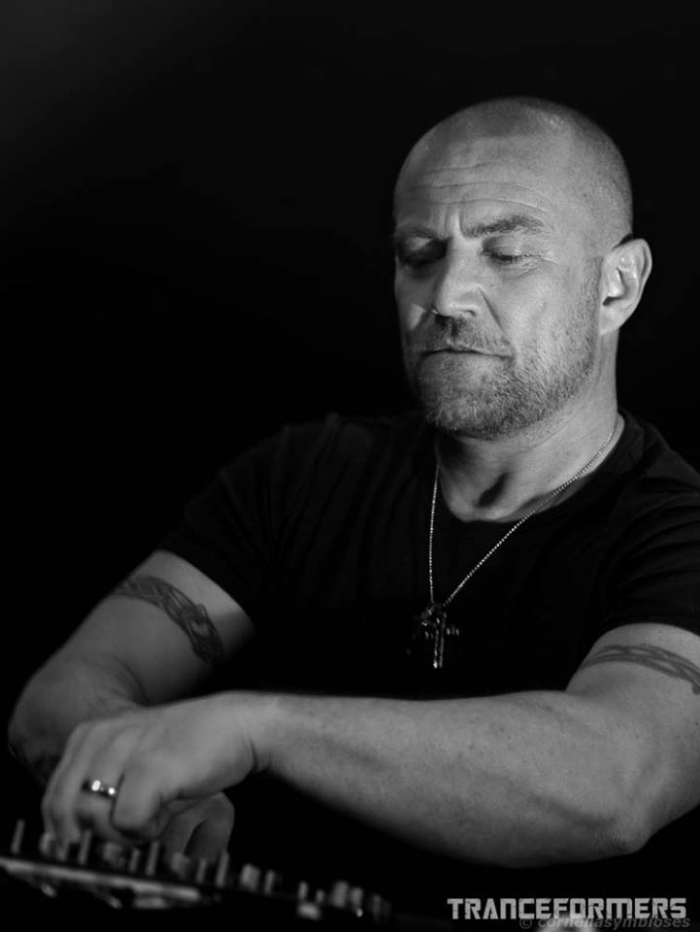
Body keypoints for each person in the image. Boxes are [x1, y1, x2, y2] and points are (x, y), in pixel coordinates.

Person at [7, 96, 700, 917]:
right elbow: (62, 696)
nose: (447, 294)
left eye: (507, 253)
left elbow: (617, 783)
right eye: (419, 253)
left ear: (617, 286)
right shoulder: (303, 474)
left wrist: (255, 730)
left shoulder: (677, 531)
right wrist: (132, 782)